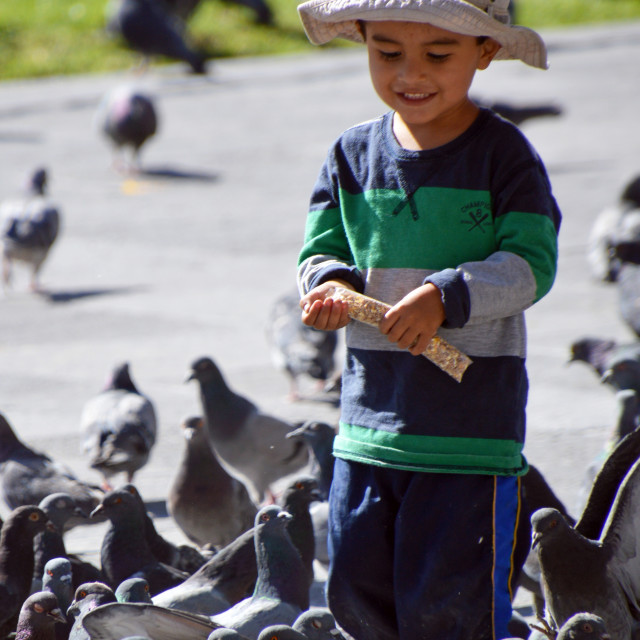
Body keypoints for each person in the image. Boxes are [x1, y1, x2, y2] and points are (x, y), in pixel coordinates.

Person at [295, 0, 562, 639]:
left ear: (485, 52)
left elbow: (532, 262)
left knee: (452, 610)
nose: (410, 73)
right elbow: (320, 247)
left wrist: (448, 296)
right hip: (367, 427)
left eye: (438, 54)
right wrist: (328, 286)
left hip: (468, 436)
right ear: (361, 39)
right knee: (358, 595)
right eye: (387, 53)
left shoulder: (504, 155)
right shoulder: (350, 154)